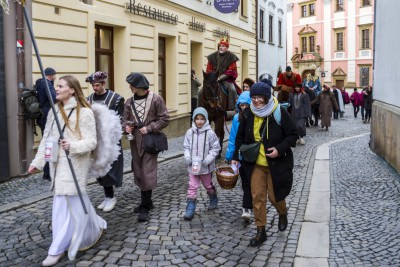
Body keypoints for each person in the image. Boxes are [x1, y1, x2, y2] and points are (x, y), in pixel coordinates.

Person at [28, 75, 106, 266]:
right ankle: (94, 225)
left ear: (72, 90)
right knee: (75, 201)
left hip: (74, 165)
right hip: (57, 165)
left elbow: (91, 141)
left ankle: (56, 250)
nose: (56, 89)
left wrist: (72, 145)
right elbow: (47, 139)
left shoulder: (84, 113)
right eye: (56, 85)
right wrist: (37, 163)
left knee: (62, 204)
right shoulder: (55, 110)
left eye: (61, 86)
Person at [232, 79, 298, 247]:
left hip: (277, 164)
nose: (256, 100)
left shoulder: (279, 113)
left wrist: (279, 149)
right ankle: (260, 231)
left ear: (267, 97)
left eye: (260, 97)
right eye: (253, 97)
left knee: (275, 198)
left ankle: (282, 212)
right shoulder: (248, 113)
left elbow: (292, 135)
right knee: (258, 197)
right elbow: (239, 137)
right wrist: (236, 154)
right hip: (256, 165)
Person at [123, 72, 170, 222]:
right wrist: (126, 127)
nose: (130, 87)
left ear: (138, 86)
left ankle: (144, 206)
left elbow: (165, 118)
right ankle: (148, 203)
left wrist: (150, 128)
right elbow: (124, 120)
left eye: (132, 85)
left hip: (150, 140)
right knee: (138, 169)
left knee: (147, 171)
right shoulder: (129, 102)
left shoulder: (156, 99)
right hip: (135, 140)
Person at [86, 71, 125, 212]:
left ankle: (110, 197)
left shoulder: (115, 98)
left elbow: (120, 120)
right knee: (99, 168)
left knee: (109, 169)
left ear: (103, 83)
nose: (95, 88)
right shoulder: (88, 99)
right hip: (95, 139)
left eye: (97, 85)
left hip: (110, 140)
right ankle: (107, 195)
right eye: (93, 86)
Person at [183, 107, 220, 220]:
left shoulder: (210, 133)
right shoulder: (190, 132)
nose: (199, 121)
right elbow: (186, 147)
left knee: (208, 185)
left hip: (205, 166)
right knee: (192, 186)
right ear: (194, 120)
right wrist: (188, 157)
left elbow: (215, 148)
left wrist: (208, 160)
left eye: (202, 119)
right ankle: (190, 207)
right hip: (193, 166)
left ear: (206, 120)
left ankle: (213, 196)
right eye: (197, 119)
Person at [225, 91, 253, 222]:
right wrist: (230, 155)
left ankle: (248, 206)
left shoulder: (256, 117)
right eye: (241, 105)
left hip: (253, 154)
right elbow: (232, 138)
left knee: (251, 182)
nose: (243, 108)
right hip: (241, 154)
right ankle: (247, 206)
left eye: (246, 105)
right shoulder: (237, 118)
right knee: (245, 181)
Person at [206, 35, 240, 112]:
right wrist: (212, 77)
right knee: (201, 91)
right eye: (220, 46)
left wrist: (220, 78)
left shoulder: (231, 56)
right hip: (213, 80)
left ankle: (233, 108)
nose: (221, 47)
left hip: (226, 80)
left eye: (223, 46)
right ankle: (201, 106)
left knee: (233, 89)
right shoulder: (212, 56)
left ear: (227, 48)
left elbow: (231, 71)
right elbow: (209, 69)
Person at [35, 67, 57, 181]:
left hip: (41, 116)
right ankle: (48, 173)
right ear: (51, 75)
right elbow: (54, 99)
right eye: (54, 75)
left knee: (48, 143)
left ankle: (47, 172)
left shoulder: (39, 83)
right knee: (50, 144)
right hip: (48, 116)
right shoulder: (47, 84)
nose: (55, 77)